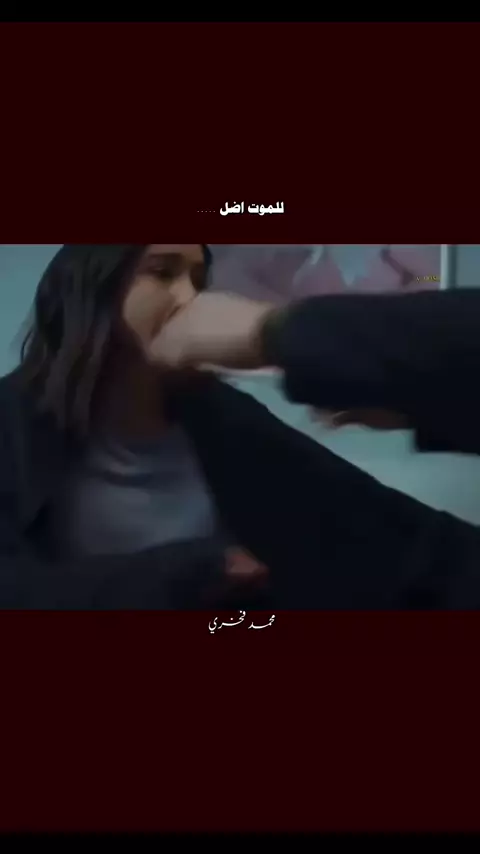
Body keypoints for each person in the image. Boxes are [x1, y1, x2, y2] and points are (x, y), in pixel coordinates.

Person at [1, 246, 478, 610]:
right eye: (162, 273)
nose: (190, 299)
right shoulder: (11, 422)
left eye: (198, 280)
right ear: (93, 290)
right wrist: (196, 574)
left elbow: (392, 535)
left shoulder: (223, 418)